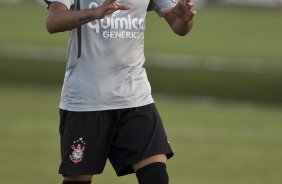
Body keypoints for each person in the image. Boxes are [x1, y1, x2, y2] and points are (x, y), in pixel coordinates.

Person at [44, 0, 195, 183]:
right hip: (86, 100)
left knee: (156, 176)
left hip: (135, 96)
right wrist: (95, 12)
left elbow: (179, 26)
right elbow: (53, 21)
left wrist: (185, 19)